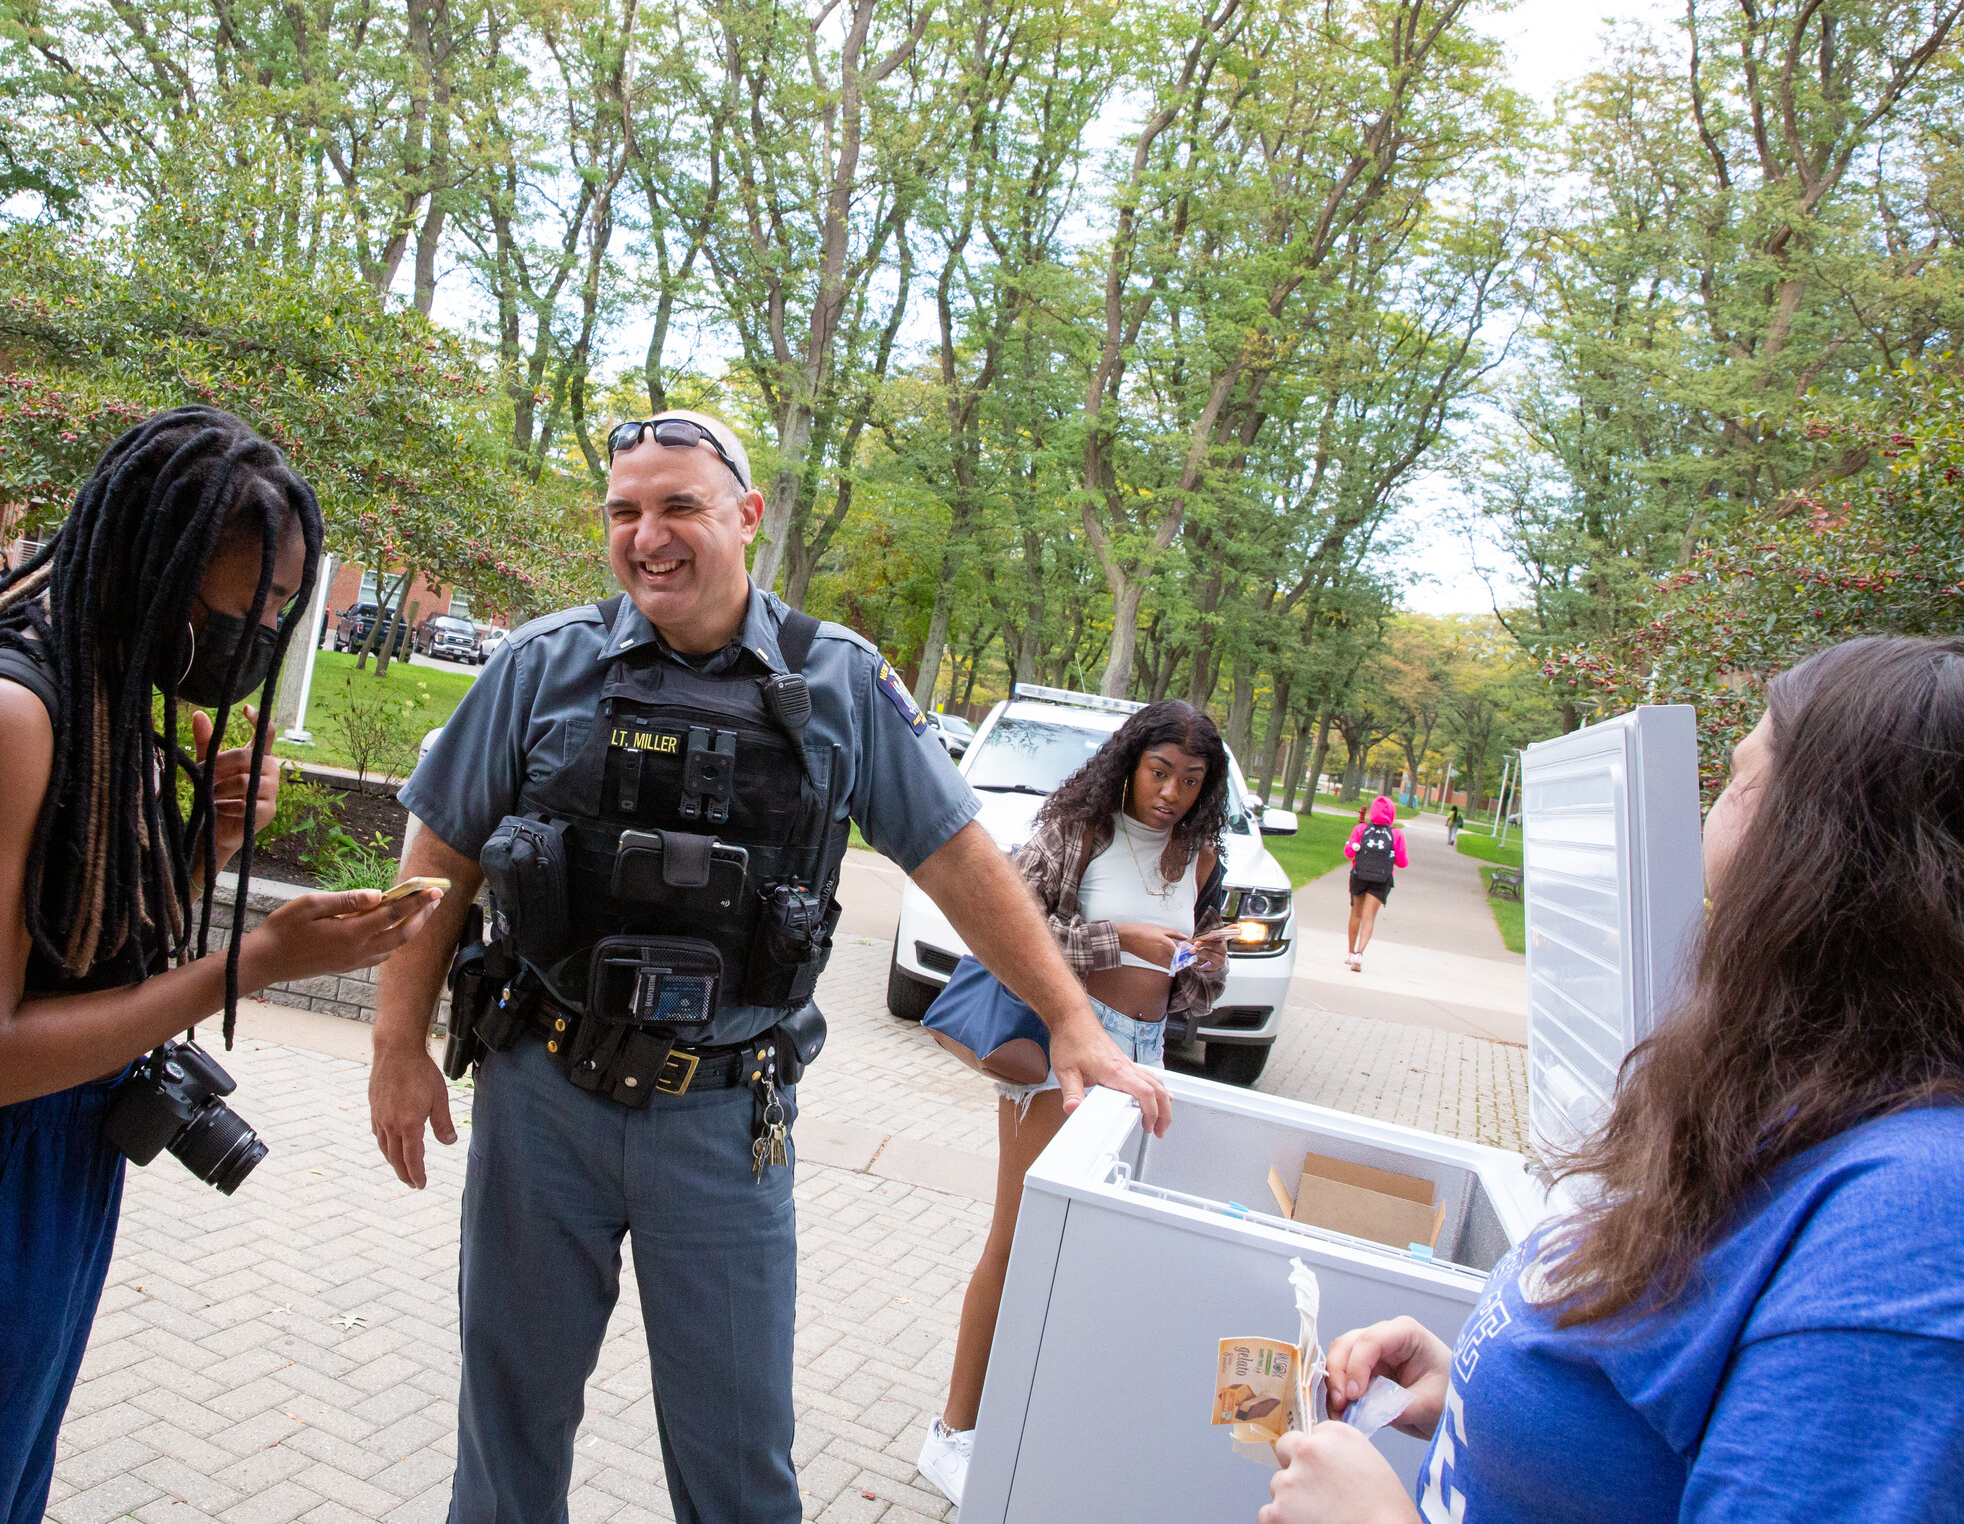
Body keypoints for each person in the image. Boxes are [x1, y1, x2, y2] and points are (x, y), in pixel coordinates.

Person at [367, 410, 1172, 1524]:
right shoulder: (538, 665)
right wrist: (394, 1044)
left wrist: (1070, 1017)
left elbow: (956, 856)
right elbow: (438, 859)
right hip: (540, 1101)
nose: (647, 535)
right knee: (506, 1435)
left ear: (746, 516)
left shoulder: (838, 682)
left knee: (739, 1461)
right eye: (624, 511)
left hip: (722, 1118)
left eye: (678, 506)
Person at [0, 407, 443, 1523]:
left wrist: (203, 850)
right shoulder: (6, 712)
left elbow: (67, 951)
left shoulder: (95, 692)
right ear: (158, 565)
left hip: (43, 1167)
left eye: (285, 605)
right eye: (255, 601)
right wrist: (256, 961)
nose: (267, 630)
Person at [1262, 635, 1964, 1524]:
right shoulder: (1805, 1103)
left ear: (1827, 851)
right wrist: (1495, 1401)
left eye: (1739, 780)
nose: (1707, 825)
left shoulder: (1915, 1224)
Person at [918, 699, 1232, 1506]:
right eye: (1161, 772)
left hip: (1147, 1059)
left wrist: (1206, 961)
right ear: (1130, 761)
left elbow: (1187, 995)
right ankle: (952, 1434)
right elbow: (1009, 932)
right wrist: (1121, 937)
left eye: (1191, 781)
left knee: (1098, 1255)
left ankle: (1045, 1426)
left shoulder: (1199, 857)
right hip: (1064, 1050)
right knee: (1017, 1239)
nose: (1171, 793)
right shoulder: (1075, 827)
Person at [1341, 795, 1406, 971]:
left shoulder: (1361, 829)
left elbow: (1348, 853)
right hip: (1381, 879)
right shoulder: (1396, 834)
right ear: (1392, 813)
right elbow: (1402, 862)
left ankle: (1349, 952)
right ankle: (1360, 955)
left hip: (1359, 875)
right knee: (1369, 918)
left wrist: (1354, 847)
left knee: (1356, 914)